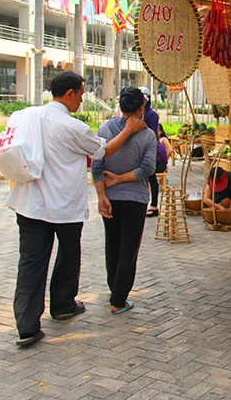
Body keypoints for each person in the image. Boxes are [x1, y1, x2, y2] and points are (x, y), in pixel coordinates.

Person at [7, 71, 146, 347]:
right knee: (68, 255)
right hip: (63, 206)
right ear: (69, 94)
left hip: (29, 204)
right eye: (81, 95)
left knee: (30, 264)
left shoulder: (25, 116)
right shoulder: (71, 127)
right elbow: (102, 151)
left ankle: (27, 326)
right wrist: (129, 130)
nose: (82, 100)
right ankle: (62, 305)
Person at [92, 87, 156, 315]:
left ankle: (114, 290)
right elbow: (148, 168)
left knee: (113, 245)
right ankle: (118, 299)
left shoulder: (104, 129)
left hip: (110, 198)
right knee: (129, 250)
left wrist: (101, 195)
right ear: (141, 109)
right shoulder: (148, 135)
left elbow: (97, 164)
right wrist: (121, 179)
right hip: (135, 199)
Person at [138, 86, 162, 216]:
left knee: (151, 176)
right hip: (138, 148)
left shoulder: (151, 115)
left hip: (149, 149)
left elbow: (152, 133)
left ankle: (154, 204)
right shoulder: (138, 113)